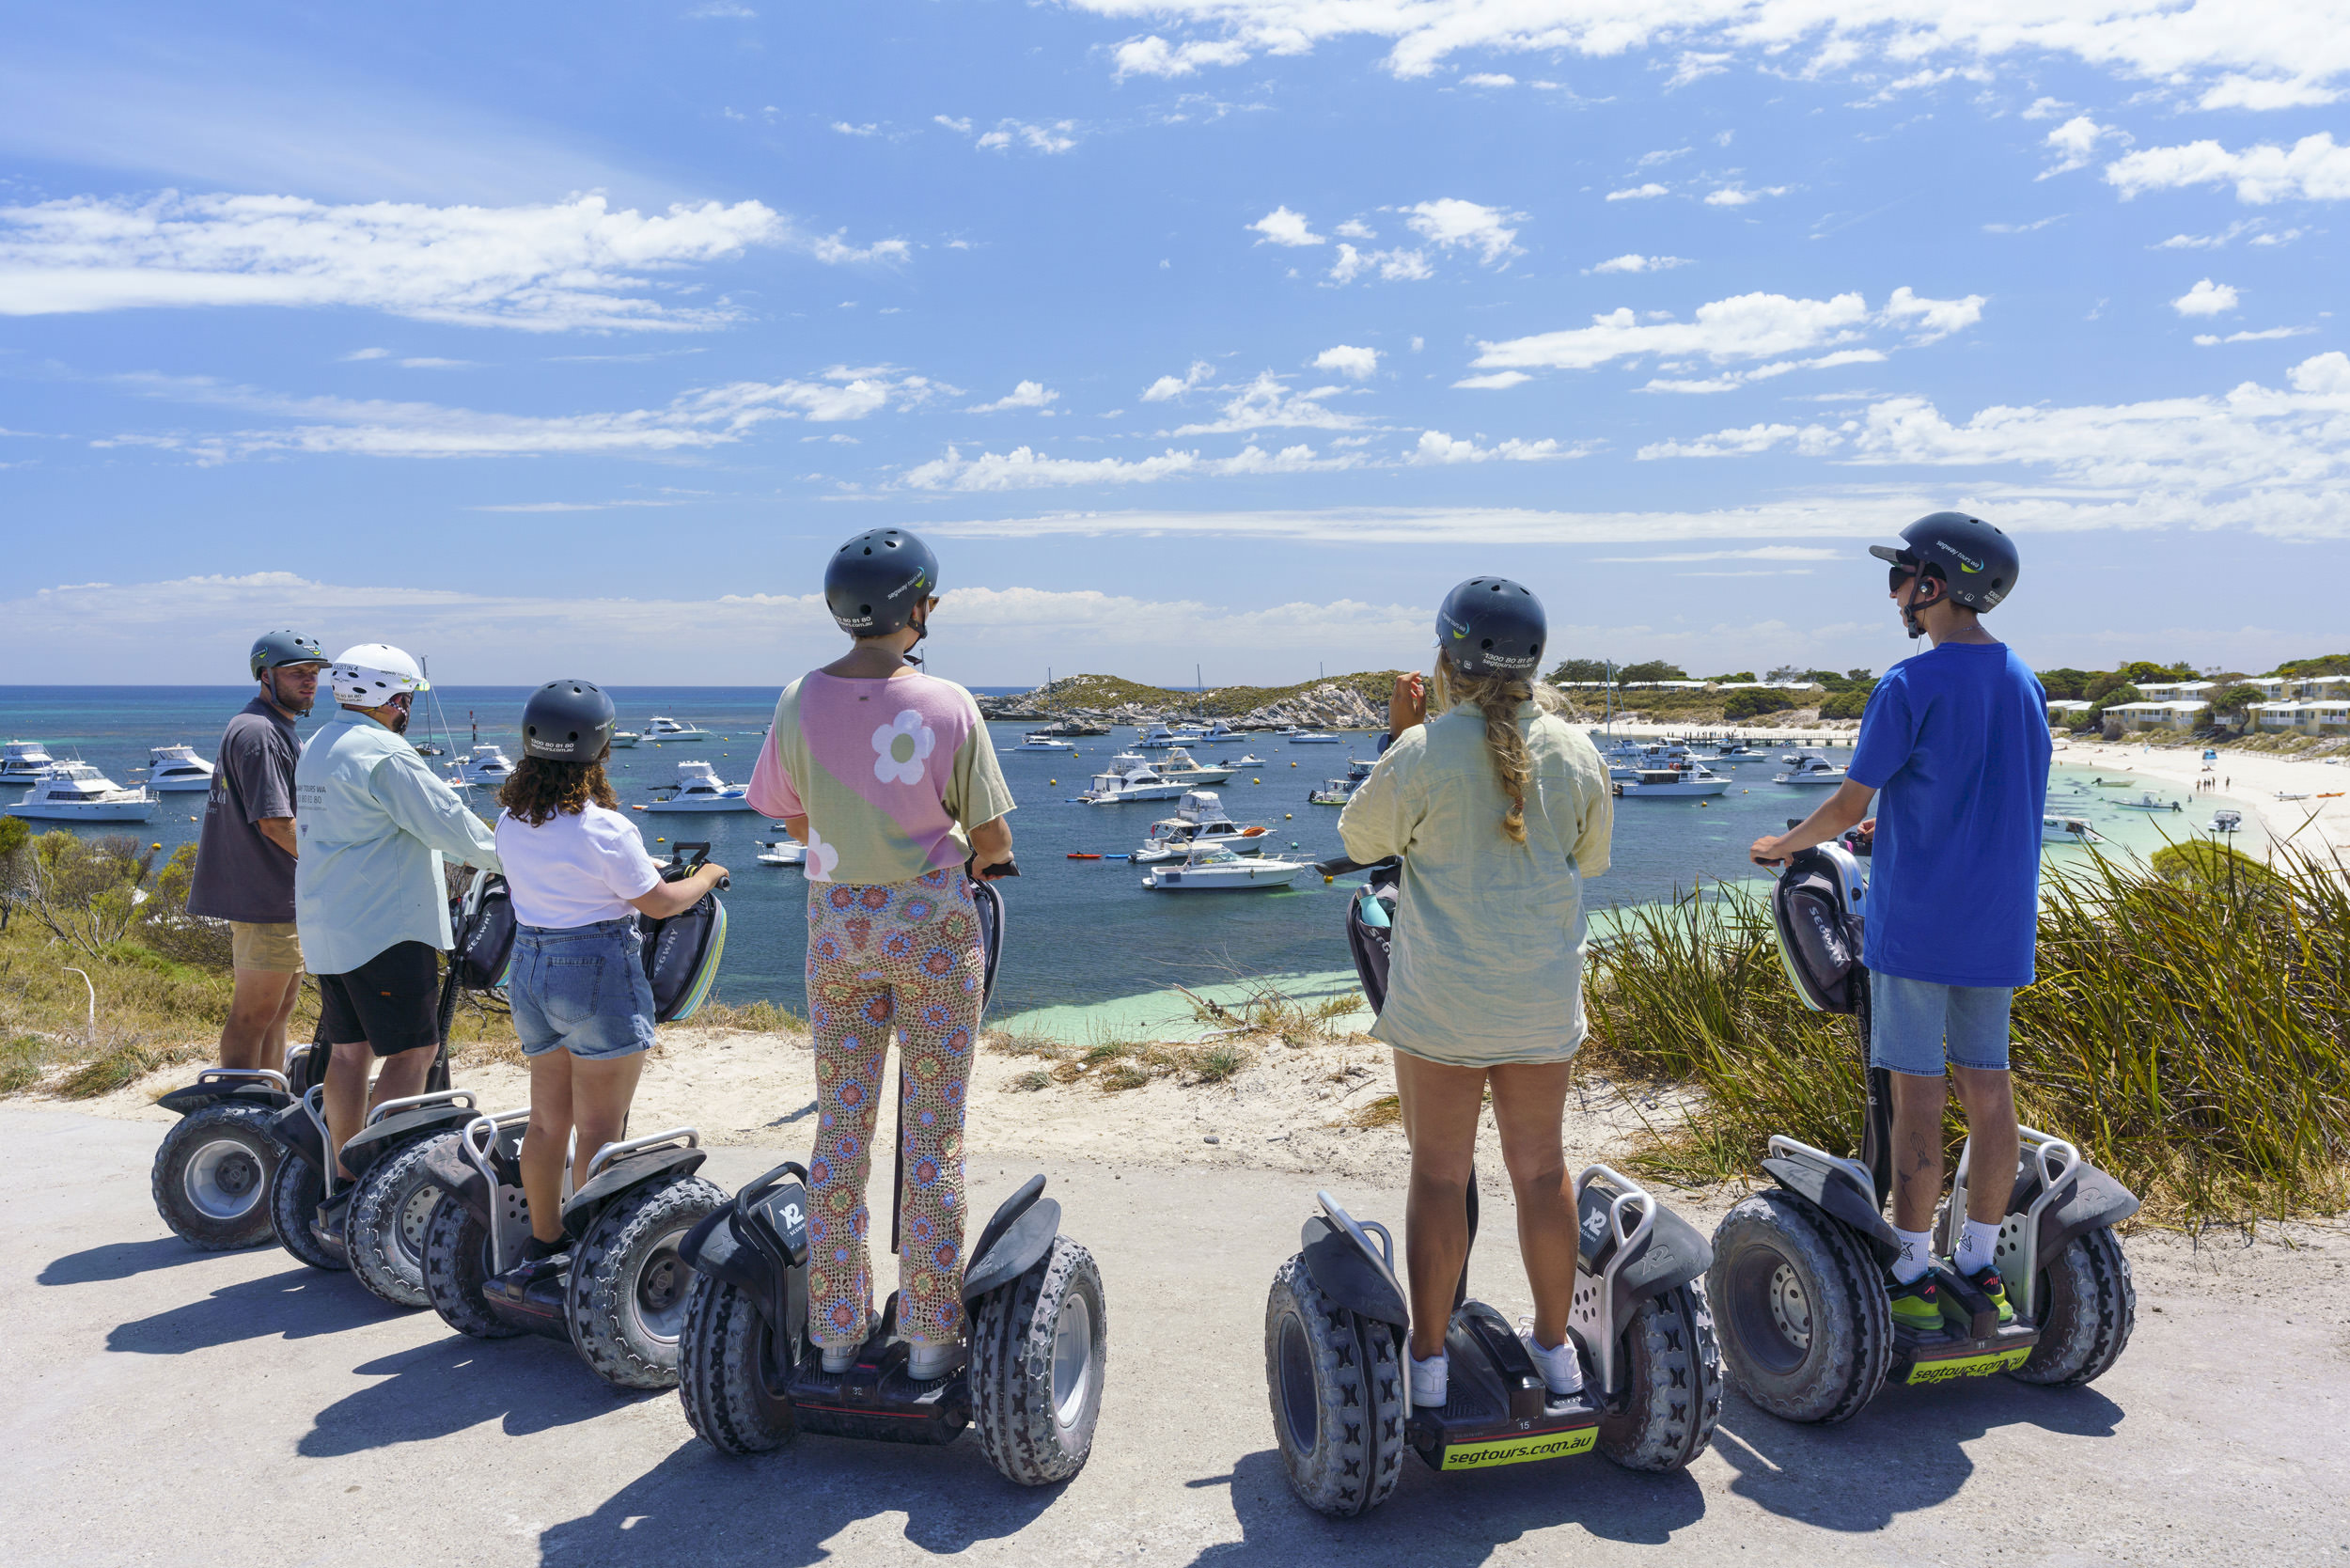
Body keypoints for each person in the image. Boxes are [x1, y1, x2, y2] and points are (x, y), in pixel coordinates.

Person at [1750, 511, 2046, 1333]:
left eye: (1902, 578)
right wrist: (1904, 827)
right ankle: (1981, 1265)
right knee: (1989, 1091)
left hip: (1918, 926)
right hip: (1998, 921)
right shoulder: (2025, 682)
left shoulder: (1908, 684)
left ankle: (1911, 1273)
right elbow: (1989, 792)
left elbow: (1849, 802)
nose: (1895, 595)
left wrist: (1783, 844)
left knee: (1917, 1099)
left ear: (1936, 586)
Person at [1335, 578, 1613, 1409]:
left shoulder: (1422, 749)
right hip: (1537, 997)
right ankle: (1558, 1351)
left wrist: (1399, 734)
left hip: (1444, 1002)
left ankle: (1428, 1363)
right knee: (1540, 1173)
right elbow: (1589, 858)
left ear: (1448, 654)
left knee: (1437, 1174)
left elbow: (1360, 838)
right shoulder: (1575, 749)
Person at [746, 526, 1016, 1380]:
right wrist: (983, 856)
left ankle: (833, 1327)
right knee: (932, 1134)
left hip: (839, 935)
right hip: (933, 934)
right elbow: (992, 833)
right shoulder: (949, 703)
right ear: (920, 609)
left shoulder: (798, 698)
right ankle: (933, 1333)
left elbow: (786, 812)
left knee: (842, 1127)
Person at [481, 679, 728, 1298]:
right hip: (594, 968)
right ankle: (594, 1257)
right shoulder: (606, 828)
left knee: (547, 1125)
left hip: (530, 969)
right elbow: (661, 902)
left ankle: (545, 1245)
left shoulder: (511, 820)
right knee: (598, 1129)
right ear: (600, 747)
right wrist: (707, 876)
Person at [294, 643, 501, 1231]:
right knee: (414, 1052)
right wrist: (520, 858)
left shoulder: (319, 746)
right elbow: (452, 827)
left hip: (328, 923)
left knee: (349, 1051)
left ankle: (345, 1177)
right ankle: (387, 1186)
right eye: (406, 697)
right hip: (386, 925)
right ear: (394, 699)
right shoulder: (385, 752)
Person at [187, 631, 329, 1073]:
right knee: (254, 1014)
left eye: (314, 673)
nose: (309, 682)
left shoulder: (271, 726)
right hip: (265, 896)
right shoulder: (260, 732)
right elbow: (274, 822)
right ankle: (234, 1110)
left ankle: (267, 1098)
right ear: (265, 676)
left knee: (278, 1010)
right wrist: (332, 865)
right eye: (296, 673)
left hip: (279, 895)